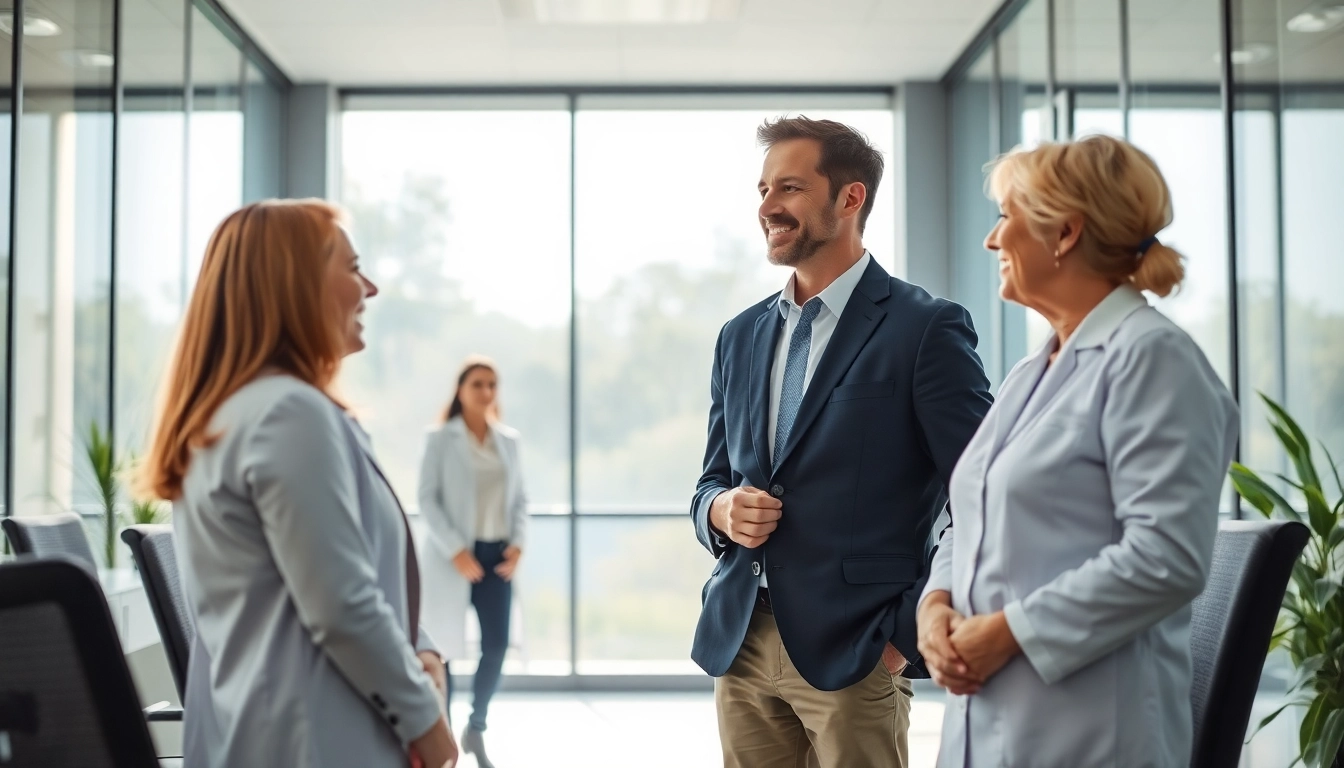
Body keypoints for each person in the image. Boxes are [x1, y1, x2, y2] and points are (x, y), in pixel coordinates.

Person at [916, 135, 1239, 767]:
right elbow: (971, 513)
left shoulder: (1154, 360)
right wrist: (936, 604)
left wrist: (1009, 633)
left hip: (1091, 736)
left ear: (1064, 233)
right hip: (989, 725)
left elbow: (1166, 556)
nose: (992, 239)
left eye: (1006, 216)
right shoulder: (1028, 375)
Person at [691, 116, 993, 768]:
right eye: (764, 189)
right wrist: (720, 510)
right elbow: (711, 481)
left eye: (791, 188)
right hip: (740, 641)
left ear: (849, 199)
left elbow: (982, 493)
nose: (768, 206)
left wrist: (901, 637)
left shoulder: (925, 329)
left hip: (859, 653)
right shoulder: (738, 337)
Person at [139, 200, 457, 768]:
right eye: (353, 267)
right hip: (315, 743)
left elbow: (345, 568)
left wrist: (422, 648)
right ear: (296, 284)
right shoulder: (289, 414)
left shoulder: (248, 412)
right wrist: (426, 720)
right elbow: (340, 603)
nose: (371, 288)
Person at [418, 356, 528, 768]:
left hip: (497, 557)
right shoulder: (439, 439)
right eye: (478, 384)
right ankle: (442, 737)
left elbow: (520, 499)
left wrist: (518, 543)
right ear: (460, 390)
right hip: (452, 559)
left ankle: (475, 726)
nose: (486, 392)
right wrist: (455, 550)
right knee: (444, 649)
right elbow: (427, 499)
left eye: (492, 385)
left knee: (496, 645)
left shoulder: (509, 441)